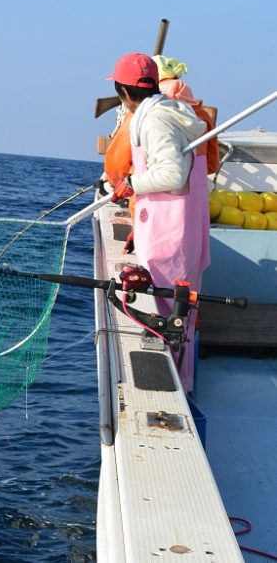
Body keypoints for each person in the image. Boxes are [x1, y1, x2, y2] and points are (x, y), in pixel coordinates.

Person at [107, 52, 210, 393]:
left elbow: (173, 174)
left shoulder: (154, 121)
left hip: (170, 235)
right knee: (179, 314)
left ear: (124, 93)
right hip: (175, 228)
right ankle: (185, 385)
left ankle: (179, 389)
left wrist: (132, 184)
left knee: (170, 317)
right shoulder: (172, 112)